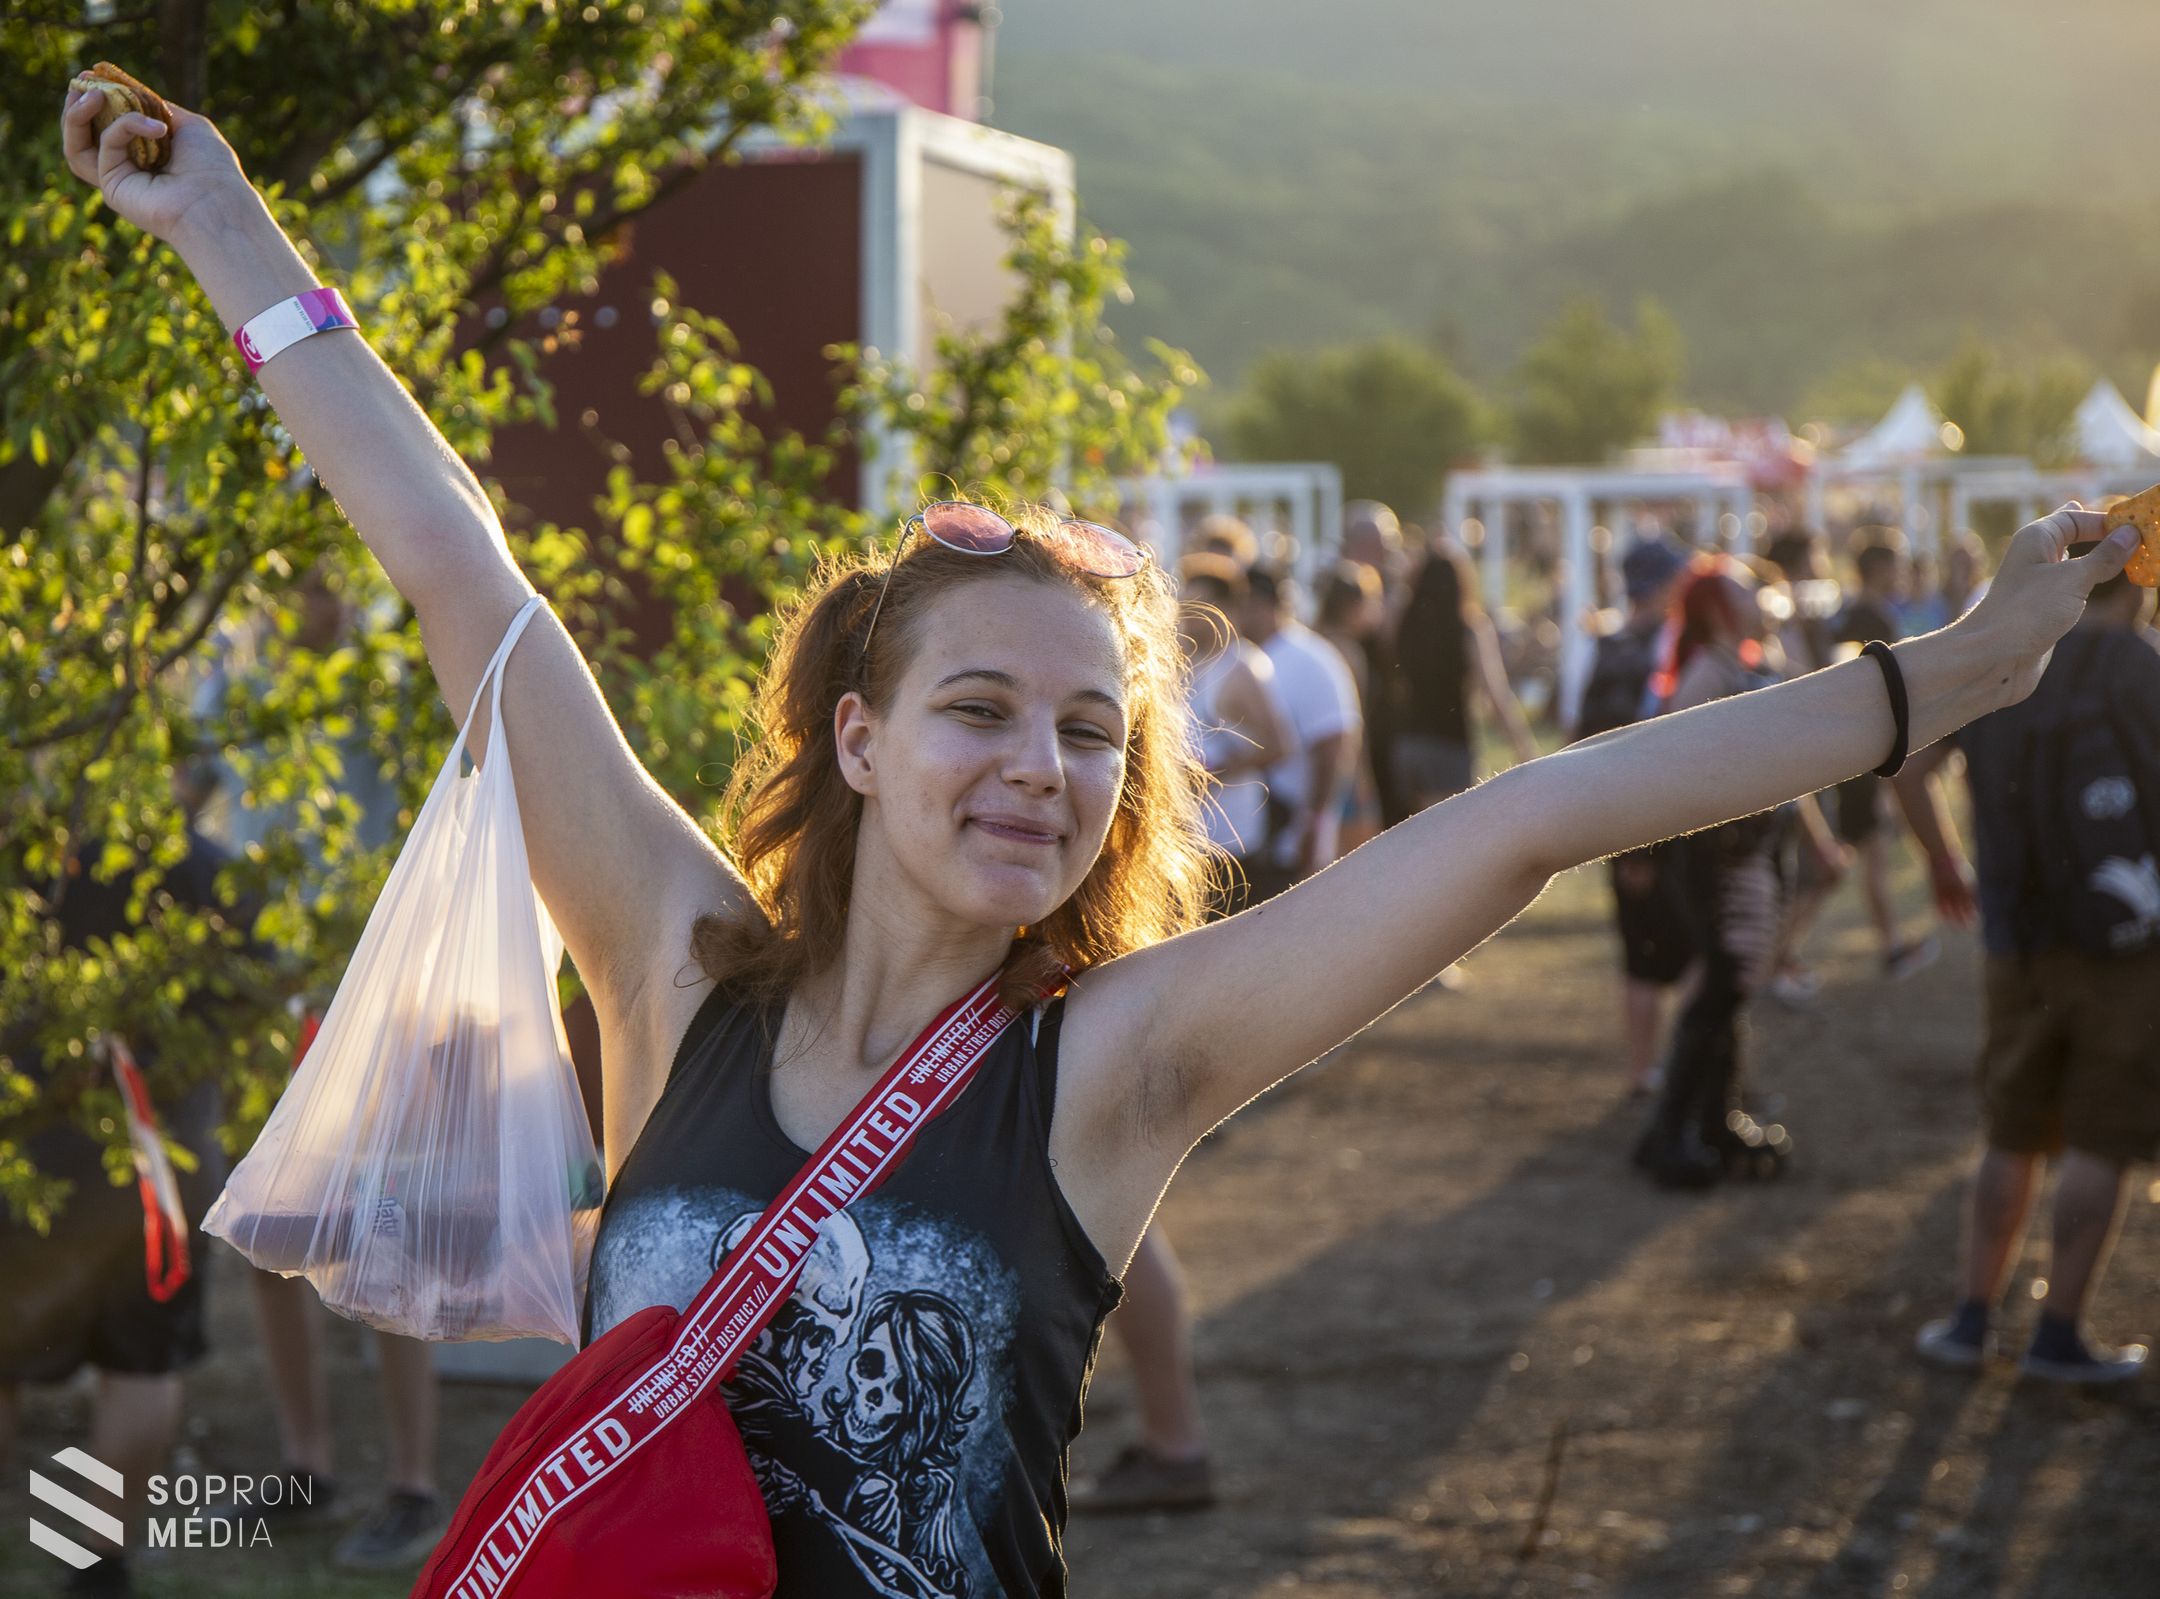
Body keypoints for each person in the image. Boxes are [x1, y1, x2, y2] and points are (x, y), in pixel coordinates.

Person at [70, 87, 2143, 1596]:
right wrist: (223, 226)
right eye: (981, 708)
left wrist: (1952, 675)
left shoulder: (1111, 1065)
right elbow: (463, 572)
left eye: (1091, 731)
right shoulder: (670, 968)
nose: (1042, 768)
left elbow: (1538, 818)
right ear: (860, 736)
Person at [183, 572, 449, 1569]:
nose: (312, 598)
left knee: (383, 1240)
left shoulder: (385, 679)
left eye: (328, 578)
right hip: (261, 997)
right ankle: (307, 1466)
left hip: (364, 1000)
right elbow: (183, 796)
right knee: (268, 1238)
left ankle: (413, 1484)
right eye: (295, 581)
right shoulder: (238, 681)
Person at [1898, 555, 2157, 1384]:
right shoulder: (2138, 666)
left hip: (2015, 938)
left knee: (2010, 1133)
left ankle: (1972, 1319)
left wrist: (1945, 860)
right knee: (2100, 1139)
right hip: (2127, 945)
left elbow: (1910, 770)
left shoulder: (2009, 660)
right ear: (2137, 582)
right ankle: (2057, 1332)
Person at [0, 826, 238, 1598]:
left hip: (40, 1157)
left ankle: (91, 1558)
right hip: (159, 1164)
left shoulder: (28, 849)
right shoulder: (208, 870)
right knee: (140, 1363)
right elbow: (255, 1005)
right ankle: (97, 1559)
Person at [1630, 556, 1804, 1187]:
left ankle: (1713, 1121)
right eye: (1742, 590)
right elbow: (1678, 768)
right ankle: (1674, 1131)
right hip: (1718, 862)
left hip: (1741, 856)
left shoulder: (1735, 666)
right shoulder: (1709, 673)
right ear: (1717, 609)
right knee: (1721, 989)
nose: (1757, 597)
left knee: (1731, 990)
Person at [1570, 539, 1694, 1096]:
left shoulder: (1608, 645)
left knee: (1643, 954)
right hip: (1654, 829)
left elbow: (1581, 742)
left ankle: (1648, 1068)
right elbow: (1632, 753)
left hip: (1627, 826)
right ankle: (1664, 1068)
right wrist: (1636, 848)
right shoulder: (1654, 649)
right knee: (1673, 955)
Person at [1828, 531, 1942, 982]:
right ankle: (1891, 947)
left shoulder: (1849, 614)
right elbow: (1883, 690)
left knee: (1850, 857)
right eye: (1896, 564)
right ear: (1878, 569)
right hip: (1862, 753)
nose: (1902, 573)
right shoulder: (1870, 617)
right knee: (1865, 854)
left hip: (1852, 749)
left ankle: (1890, 943)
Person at [1381, 537, 1540, 816]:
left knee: (1418, 830)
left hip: (1407, 745)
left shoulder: (1401, 622)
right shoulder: (1469, 630)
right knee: (1453, 831)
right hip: (1450, 744)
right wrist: (1524, 748)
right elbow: (1496, 694)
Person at [1233, 565, 1363, 889]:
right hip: (1247, 832)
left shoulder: (1311, 659)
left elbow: (1334, 747)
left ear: (1261, 604)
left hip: (1288, 831)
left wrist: (1316, 823)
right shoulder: (1242, 655)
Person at [1314, 560, 1388, 852]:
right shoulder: (1349, 652)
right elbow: (1354, 725)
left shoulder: (1313, 642)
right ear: (1351, 606)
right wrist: (1363, 781)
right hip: (1345, 772)